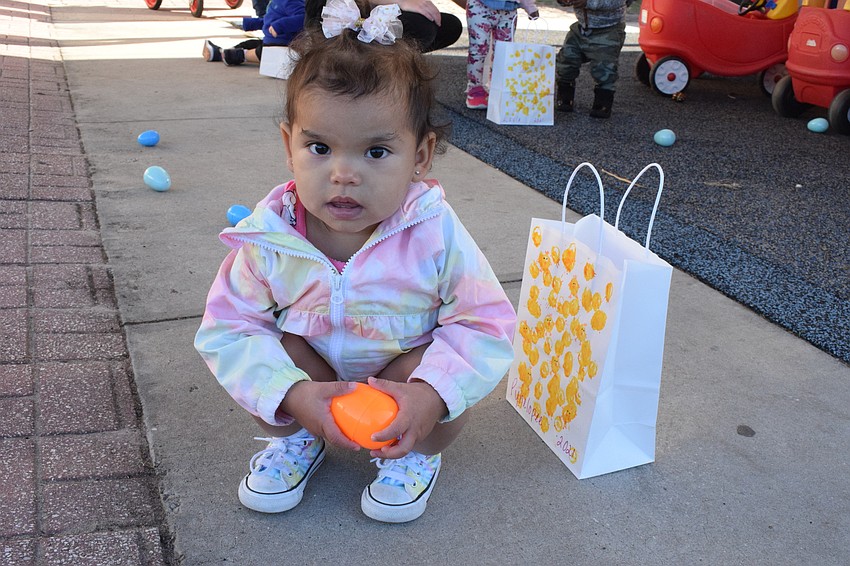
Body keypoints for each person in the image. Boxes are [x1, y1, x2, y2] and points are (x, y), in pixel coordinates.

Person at [194, 0, 517, 525]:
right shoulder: (270, 237)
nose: (343, 174)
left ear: (420, 155)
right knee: (276, 348)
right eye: (320, 147)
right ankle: (303, 437)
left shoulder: (432, 232)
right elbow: (228, 327)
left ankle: (412, 451)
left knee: (435, 395)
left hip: (400, 376)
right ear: (288, 145)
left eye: (375, 152)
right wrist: (293, 395)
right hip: (315, 376)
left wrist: (432, 396)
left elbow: (485, 322)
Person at [554, 0, 632, 118]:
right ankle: (565, 98)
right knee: (566, 60)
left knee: (604, 68)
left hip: (608, 28)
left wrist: (589, 2)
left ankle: (602, 104)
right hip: (582, 27)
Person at [305, 0, 463, 53]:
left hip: (370, 9)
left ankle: (379, 58)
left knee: (448, 26)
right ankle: (365, 62)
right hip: (333, 12)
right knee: (420, 27)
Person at [464, 0, 539, 109]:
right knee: (479, 47)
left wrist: (530, 6)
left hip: (509, 10)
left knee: (504, 50)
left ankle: (497, 85)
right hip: (480, 5)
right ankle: (475, 88)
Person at [202, 0, 305, 66]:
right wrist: (253, 24)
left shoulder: (292, 1)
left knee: (259, 52)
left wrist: (280, 26)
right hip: (270, 43)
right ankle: (222, 53)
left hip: (283, 45)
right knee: (249, 44)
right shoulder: (275, 2)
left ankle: (237, 55)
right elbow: (269, 20)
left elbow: (303, 18)